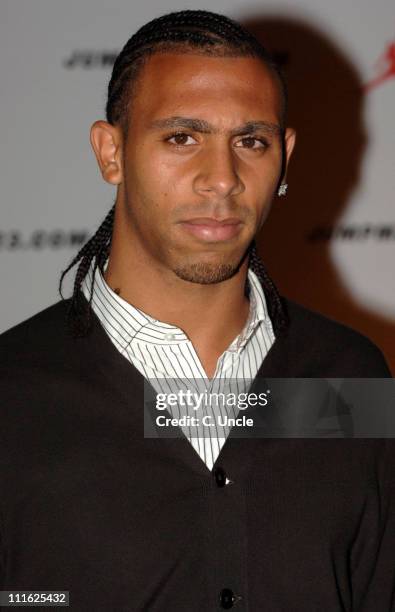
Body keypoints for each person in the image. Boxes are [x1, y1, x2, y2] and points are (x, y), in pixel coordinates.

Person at [0, 9, 393, 612]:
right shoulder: (15, 389)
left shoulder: (348, 379)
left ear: (283, 157)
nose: (221, 178)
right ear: (111, 152)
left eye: (251, 141)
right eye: (182, 137)